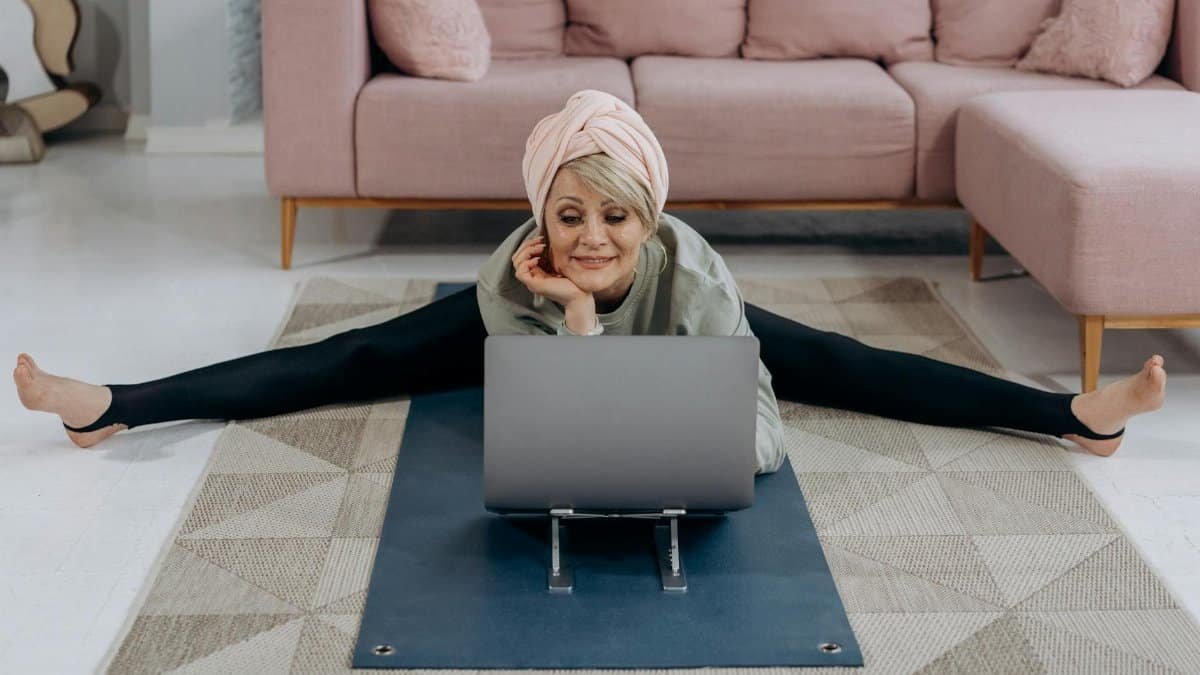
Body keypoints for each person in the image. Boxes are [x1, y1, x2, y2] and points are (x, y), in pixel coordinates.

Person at [13, 89, 1166, 474]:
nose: (595, 239)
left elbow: (763, 443)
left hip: (680, 333)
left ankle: (1071, 418)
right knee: (348, 359)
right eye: (571, 216)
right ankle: (115, 406)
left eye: (618, 217)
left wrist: (655, 369)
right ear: (538, 218)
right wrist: (567, 317)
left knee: (848, 366)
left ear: (652, 221)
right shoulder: (514, 281)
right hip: (523, 326)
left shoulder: (690, 273)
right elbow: (556, 433)